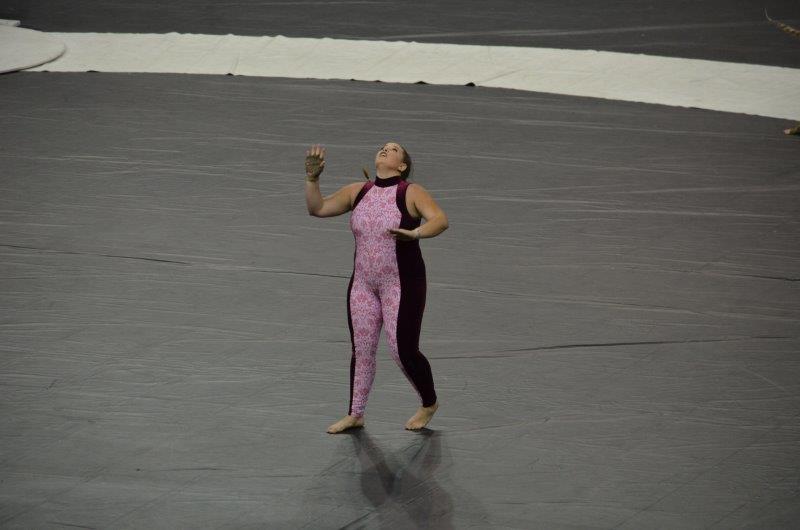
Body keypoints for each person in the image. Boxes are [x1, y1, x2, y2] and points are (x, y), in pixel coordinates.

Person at [304, 142, 449, 433]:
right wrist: (312, 179)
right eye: (383, 147)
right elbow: (317, 208)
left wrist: (415, 233)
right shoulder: (359, 191)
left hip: (401, 284)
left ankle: (429, 402)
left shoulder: (410, 192)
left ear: (402, 166)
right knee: (362, 348)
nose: (385, 149)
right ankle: (355, 413)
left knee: (402, 350)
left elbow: (440, 220)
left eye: (393, 149)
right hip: (363, 284)